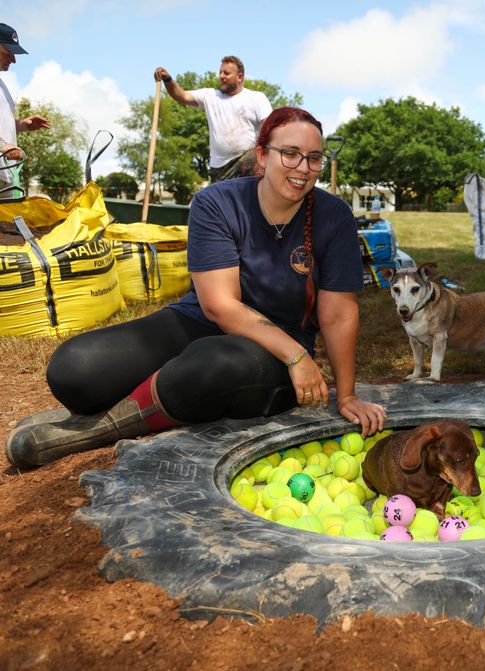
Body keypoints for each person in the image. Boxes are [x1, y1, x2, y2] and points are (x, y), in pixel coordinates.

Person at [5, 106, 387, 469]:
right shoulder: (217, 202)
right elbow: (220, 306)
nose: (303, 168)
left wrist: (346, 394)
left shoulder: (333, 216)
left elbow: (338, 313)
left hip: (270, 351)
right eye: (290, 153)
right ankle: (145, 398)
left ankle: (100, 428)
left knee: (209, 366)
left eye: (314, 158)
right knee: (74, 368)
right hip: (204, 322)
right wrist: (298, 356)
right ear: (262, 155)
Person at [154, 56, 272, 183]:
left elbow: (270, 128)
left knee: (257, 155)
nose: (221, 76)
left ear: (240, 77)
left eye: (226, 73)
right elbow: (182, 95)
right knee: (220, 200)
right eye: (220, 72)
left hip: (246, 160)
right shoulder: (210, 96)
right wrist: (168, 79)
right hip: (219, 167)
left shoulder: (256, 98)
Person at [0, 23, 50, 188]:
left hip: (6, 174)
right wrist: (2, 146)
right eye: (8, 52)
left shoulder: (2, 86)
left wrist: (23, 125)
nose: (13, 60)